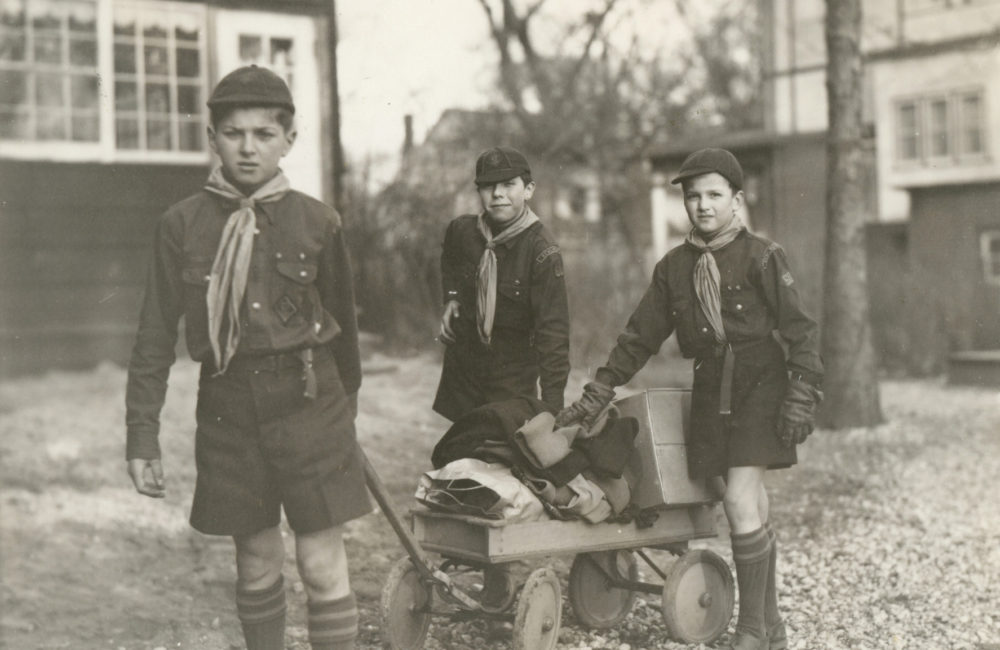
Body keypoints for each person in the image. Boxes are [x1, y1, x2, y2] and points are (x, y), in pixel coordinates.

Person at [124, 65, 370, 650]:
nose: (249, 148)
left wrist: (343, 428)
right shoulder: (181, 224)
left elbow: (346, 337)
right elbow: (154, 334)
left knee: (320, 562)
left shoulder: (318, 222)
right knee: (256, 562)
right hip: (229, 409)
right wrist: (142, 436)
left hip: (312, 407)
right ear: (212, 139)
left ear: (289, 140)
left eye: (264, 133)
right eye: (234, 133)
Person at [558, 148, 823, 650]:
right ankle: (772, 628)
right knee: (751, 503)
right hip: (709, 389)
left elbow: (801, 331)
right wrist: (600, 388)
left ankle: (749, 630)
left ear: (737, 200)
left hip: (761, 382)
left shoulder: (763, 256)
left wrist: (802, 392)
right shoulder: (674, 268)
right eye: (693, 196)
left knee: (741, 499)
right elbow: (640, 336)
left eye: (714, 195)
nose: (702, 206)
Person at [433, 146, 570, 422]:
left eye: (508, 185)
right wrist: (452, 297)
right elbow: (450, 257)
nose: (497, 194)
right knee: (459, 455)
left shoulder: (541, 251)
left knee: (500, 455)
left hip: (511, 382)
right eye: (487, 186)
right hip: (464, 374)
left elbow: (553, 336)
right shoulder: (462, 231)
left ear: (528, 190)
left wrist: (551, 411)